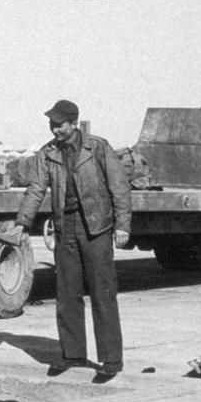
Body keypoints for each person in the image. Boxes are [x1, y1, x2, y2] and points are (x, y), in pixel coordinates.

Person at [13, 99, 132, 383]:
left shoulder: (98, 148)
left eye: (59, 124)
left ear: (73, 123)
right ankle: (72, 353)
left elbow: (119, 187)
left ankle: (111, 359)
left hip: (97, 228)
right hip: (65, 228)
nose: (54, 129)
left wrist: (122, 225)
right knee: (67, 294)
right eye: (51, 124)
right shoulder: (48, 153)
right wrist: (22, 222)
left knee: (103, 293)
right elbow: (36, 188)